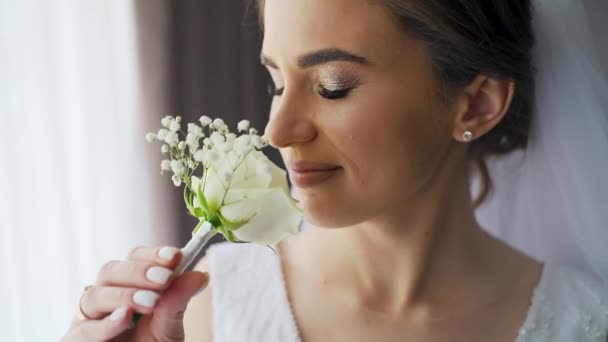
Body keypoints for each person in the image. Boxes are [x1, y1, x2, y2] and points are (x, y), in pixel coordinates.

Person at [62, 0, 608, 341]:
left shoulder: (585, 322)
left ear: (476, 105)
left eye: (333, 85)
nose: (277, 131)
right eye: (277, 83)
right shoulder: (205, 312)